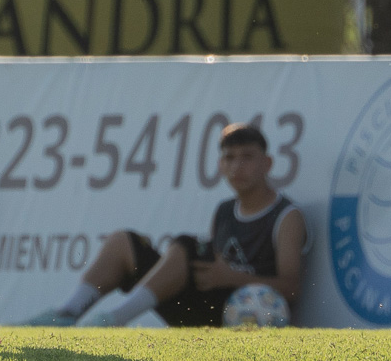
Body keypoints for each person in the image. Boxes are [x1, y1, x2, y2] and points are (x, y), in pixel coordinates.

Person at [26, 123, 308, 327]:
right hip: (201, 305)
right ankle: (65, 315)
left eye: (247, 157)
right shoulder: (224, 211)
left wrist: (231, 277)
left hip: (236, 317)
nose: (237, 167)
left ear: (267, 163)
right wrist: (218, 274)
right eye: (229, 158)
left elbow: (292, 288)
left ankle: (113, 320)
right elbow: (214, 270)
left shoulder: (285, 216)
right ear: (220, 165)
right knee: (125, 242)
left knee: (187, 245)